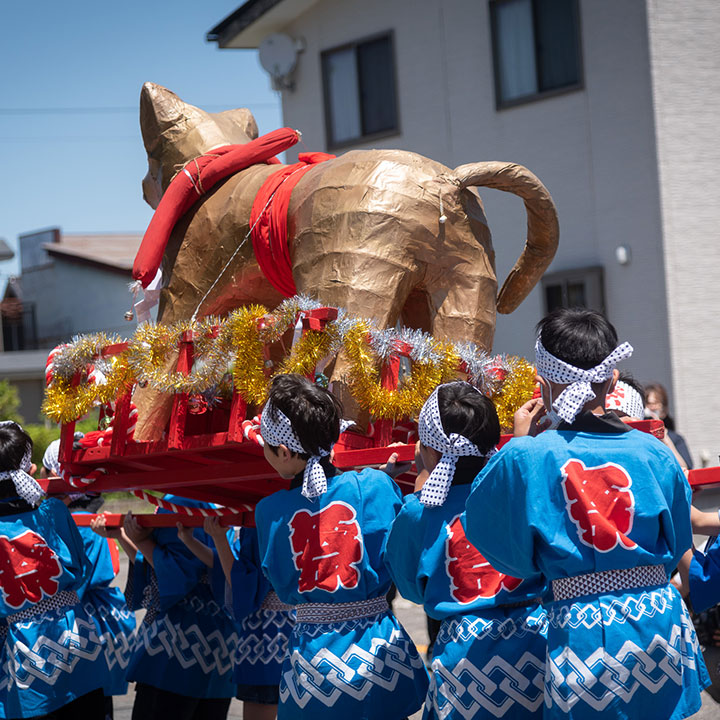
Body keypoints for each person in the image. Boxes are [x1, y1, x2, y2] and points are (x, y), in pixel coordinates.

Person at [464, 308, 708, 719]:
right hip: (658, 622)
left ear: (542, 385)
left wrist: (519, 445)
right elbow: (680, 540)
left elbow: (497, 543)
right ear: (612, 379)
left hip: (581, 632)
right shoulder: (653, 453)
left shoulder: (527, 457)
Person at [253, 374, 429, 720]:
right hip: (378, 650)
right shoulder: (375, 485)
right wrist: (378, 480)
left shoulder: (270, 511)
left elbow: (279, 580)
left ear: (285, 453)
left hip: (314, 657)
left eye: (266, 444)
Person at [385, 382, 548, 718]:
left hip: (465, 656)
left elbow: (410, 588)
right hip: (536, 641)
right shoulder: (521, 490)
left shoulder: (418, 512)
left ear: (428, 451)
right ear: (491, 444)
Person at [0, 421, 110, 719]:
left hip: (23, 650)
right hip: (75, 636)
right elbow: (82, 568)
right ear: (28, 468)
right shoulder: (54, 511)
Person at [94, 496, 239, 720]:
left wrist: (141, 541)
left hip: (178, 641)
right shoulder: (219, 500)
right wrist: (124, 537)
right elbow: (162, 567)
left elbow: (178, 574)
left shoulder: (183, 500)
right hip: (220, 644)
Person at [43, 440, 136, 720]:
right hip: (105, 619)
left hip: (81, 622)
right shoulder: (92, 516)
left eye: (49, 471)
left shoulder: (72, 521)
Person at [178, 517, 295, 720]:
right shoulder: (310, 510)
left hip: (266, 637)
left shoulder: (264, 515)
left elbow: (243, 584)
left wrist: (219, 539)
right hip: (305, 630)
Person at [645, 382, 694, 468]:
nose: (652, 408)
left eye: (656, 403)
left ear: (664, 410)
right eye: (648, 404)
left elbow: (686, 469)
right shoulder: (639, 436)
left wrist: (665, 439)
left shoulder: (676, 438)